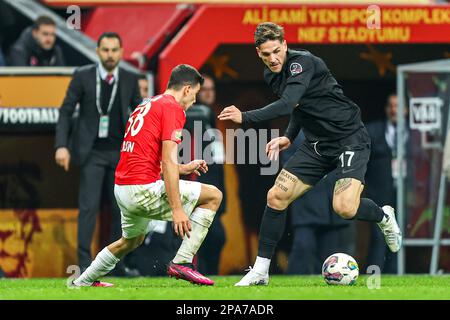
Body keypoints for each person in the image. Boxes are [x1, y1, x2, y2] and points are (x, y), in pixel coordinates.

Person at [218, 22, 402, 286]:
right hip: (317, 145)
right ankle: (260, 270)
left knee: (344, 208)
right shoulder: (272, 75)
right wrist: (289, 137)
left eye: (276, 51)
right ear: (258, 53)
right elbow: (300, 108)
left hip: (348, 139)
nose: (273, 58)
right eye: (266, 54)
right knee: (276, 196)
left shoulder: (302, 63)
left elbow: (287, 102)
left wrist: (244, 116)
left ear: (285, 45)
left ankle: (383, 216)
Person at [72, 64, 222, 287]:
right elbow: (168, 162)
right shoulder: (173, 109)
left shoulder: (147, 104)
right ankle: (183, 262)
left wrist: (184, 168)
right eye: (196, 94)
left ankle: (83, 281)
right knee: (213, 195)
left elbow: (152, 160)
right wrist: (177, 209)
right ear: (187, 89)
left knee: (130, 241)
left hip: (123, 189)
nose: (194, 101)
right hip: (142, 189)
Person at [55, 32, 142, 273]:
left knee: (121, 210)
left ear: (122, 51)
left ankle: (117, 265)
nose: (110, 55)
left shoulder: (129, 78)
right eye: (105, 50)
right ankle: (84, 266)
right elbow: (65, 111)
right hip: (91, 152)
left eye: (114, 50)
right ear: (97, 51)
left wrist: (146, 150)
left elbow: (140, 116)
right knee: (88, 208)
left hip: (120, 153)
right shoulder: (83, 75)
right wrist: (61, 145)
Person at [185, 74, 227, 275]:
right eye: (204, 89)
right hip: (198, 186)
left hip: (214, 187)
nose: (209, 93)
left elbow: (218, 163)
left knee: (215, 237)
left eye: (212, 89)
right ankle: (201, 272)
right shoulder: (192, 117)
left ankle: (209, 273)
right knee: (213, 236)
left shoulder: (211, 117)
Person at [365, 93, 405, 273]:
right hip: (379, 194)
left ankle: (396, 274)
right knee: (379, 237)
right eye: (391, 106)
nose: (394, 110)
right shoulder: (373, 130)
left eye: (399, 106)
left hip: (406, 194)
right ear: (386, 109)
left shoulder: (415, 133)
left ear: (407, 109)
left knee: (399, 235)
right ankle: (376, 274)